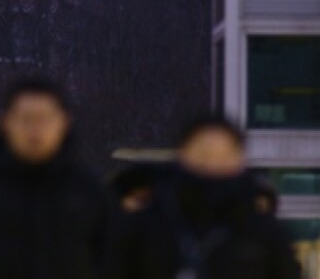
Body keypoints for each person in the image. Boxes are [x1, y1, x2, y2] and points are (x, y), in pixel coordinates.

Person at [0, 77, 116, 279]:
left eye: (45, 119)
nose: (35, 128)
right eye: (25, 119)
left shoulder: (91, 192)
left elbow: (113, 262)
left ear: (64, 123)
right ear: (4, 123)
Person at [119, 114, 300, 279]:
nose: (212, 164)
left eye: (223, 156)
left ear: (240, 159)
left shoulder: (264, 232)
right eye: (203, 154)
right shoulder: (147, 225)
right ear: (182, 154)